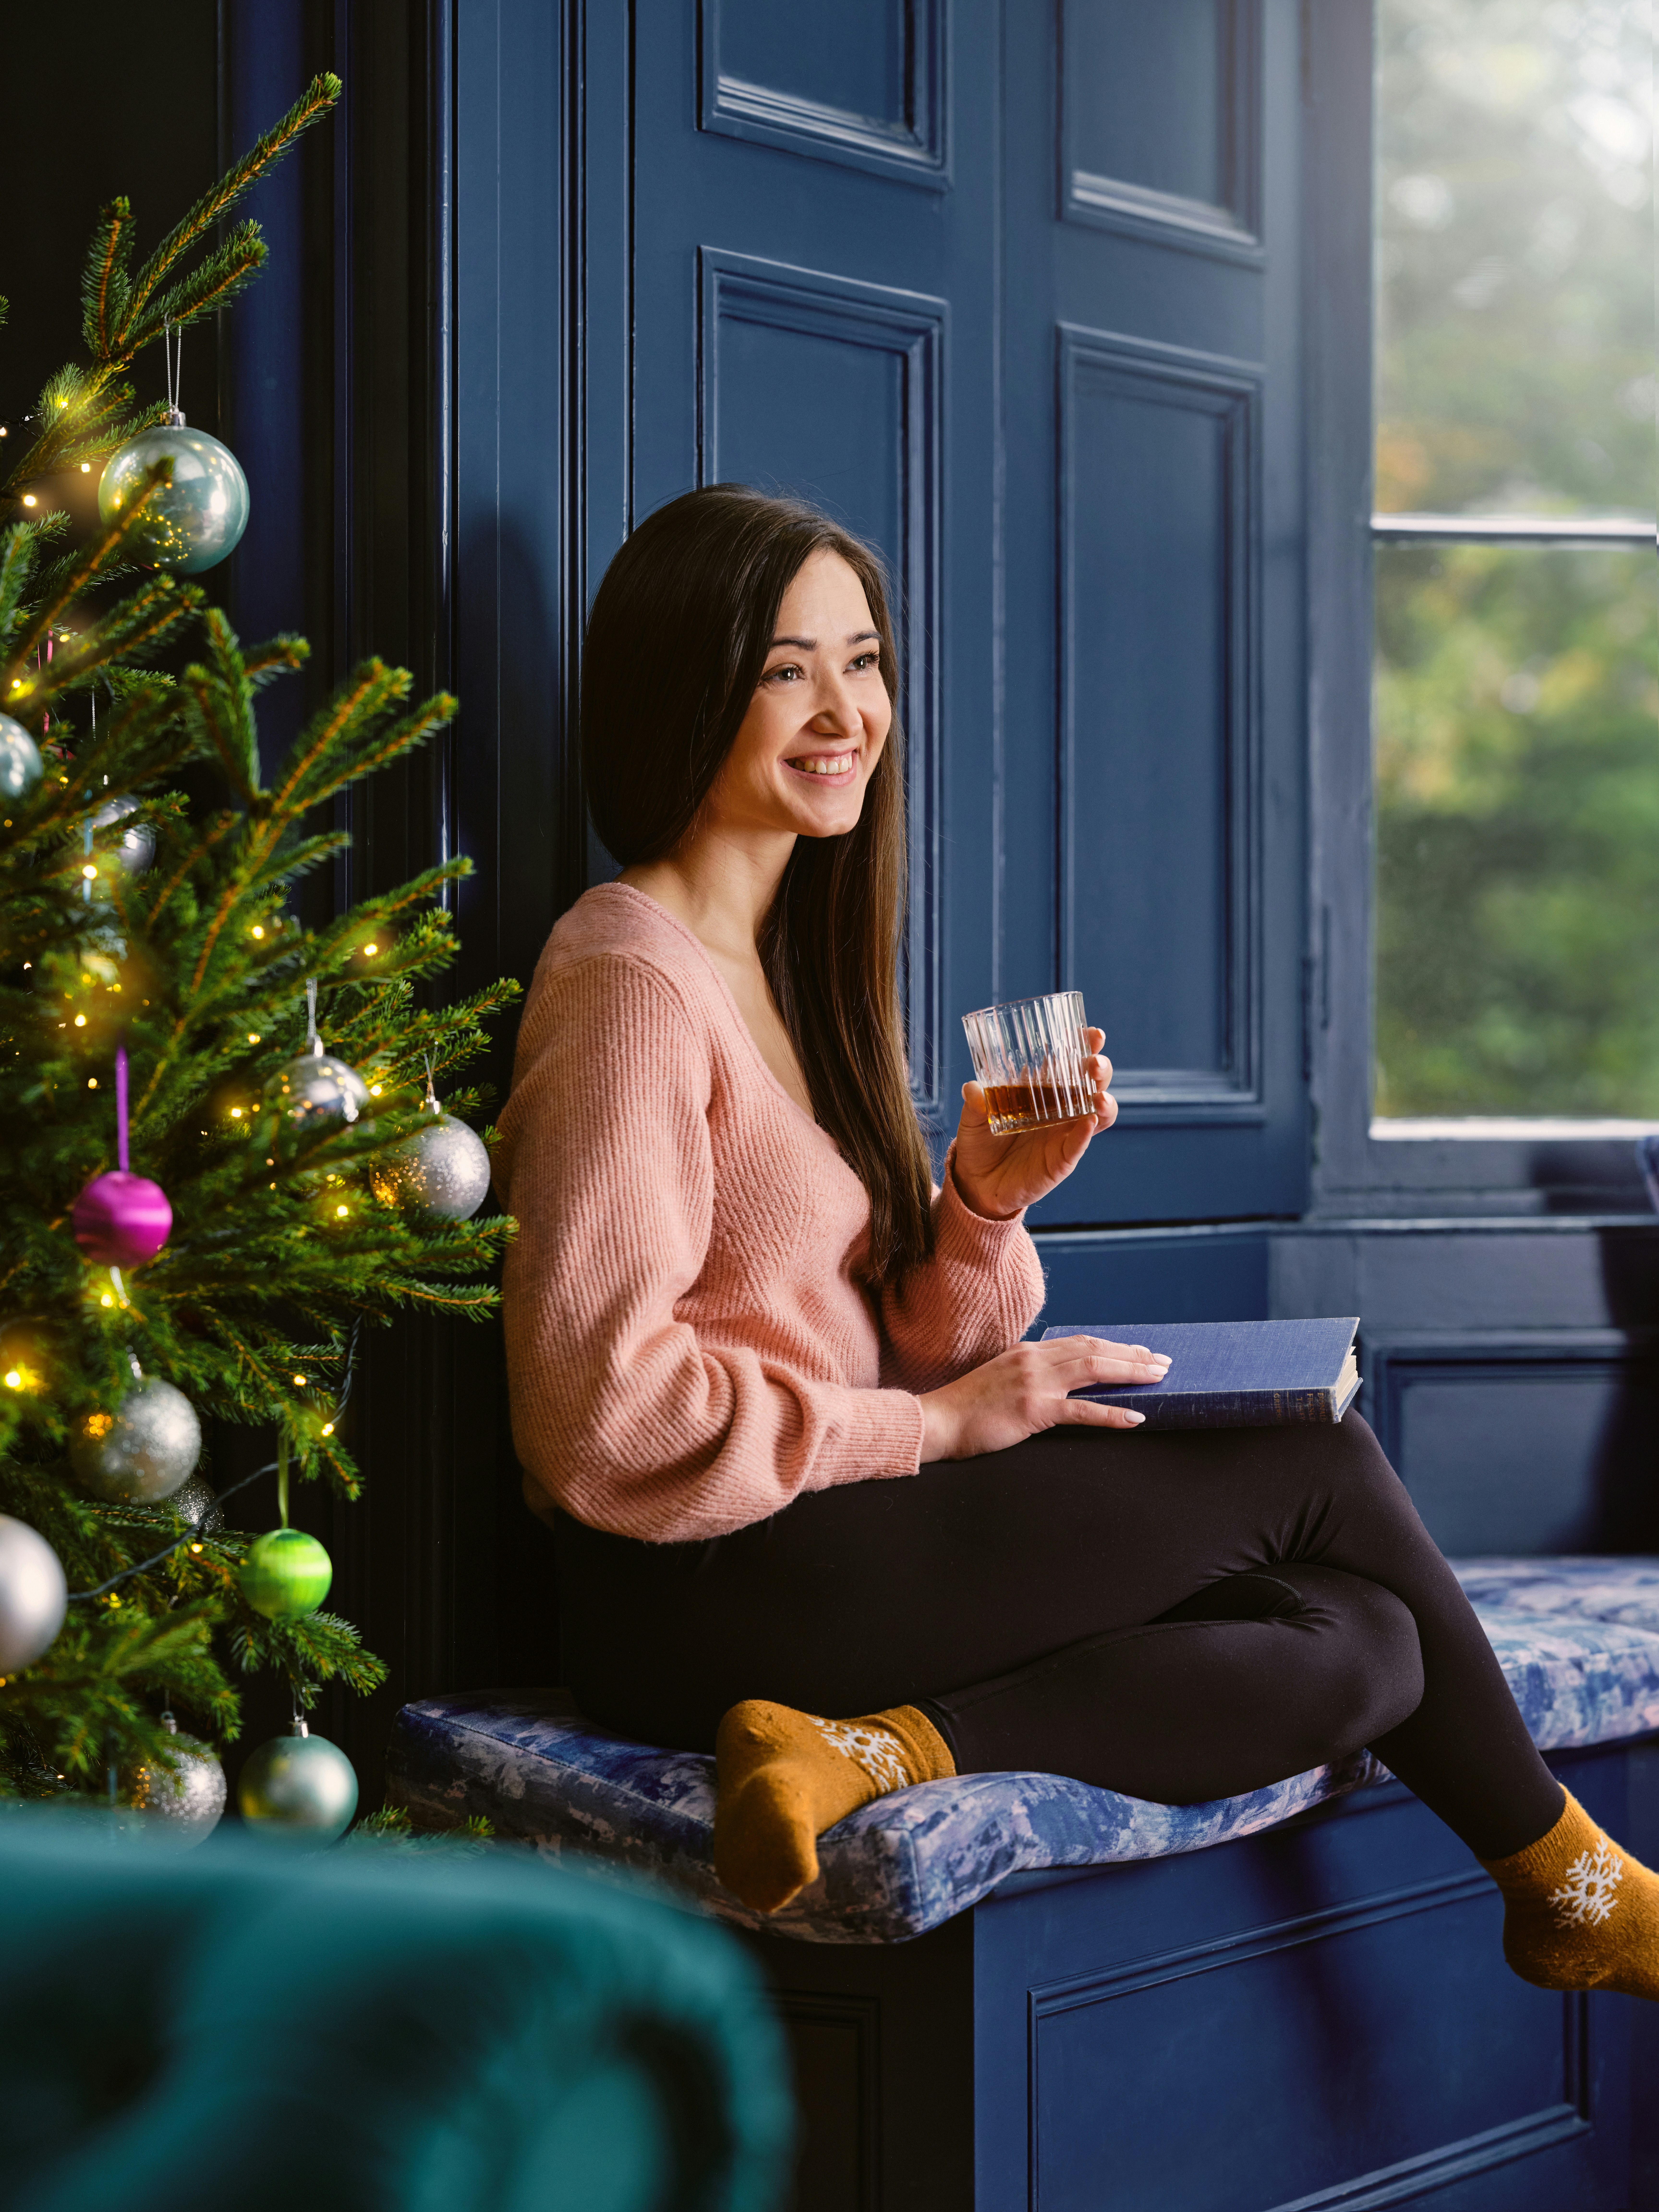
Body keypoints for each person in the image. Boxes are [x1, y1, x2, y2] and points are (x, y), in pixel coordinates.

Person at [494, 484, 1656, 1999]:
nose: (845, 710)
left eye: (863, 661)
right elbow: (593, 1417)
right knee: (1314, 1464)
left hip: (820, 1545)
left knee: (1365, 1642)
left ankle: (864, 1751)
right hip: (693, 1587)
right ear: (682, 686)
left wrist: (982, 1200)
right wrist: (926, 1429)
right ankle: (1575, 1883)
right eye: (786, 668)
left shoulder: (791, 967)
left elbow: (910, 1340)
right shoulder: (629, 977)